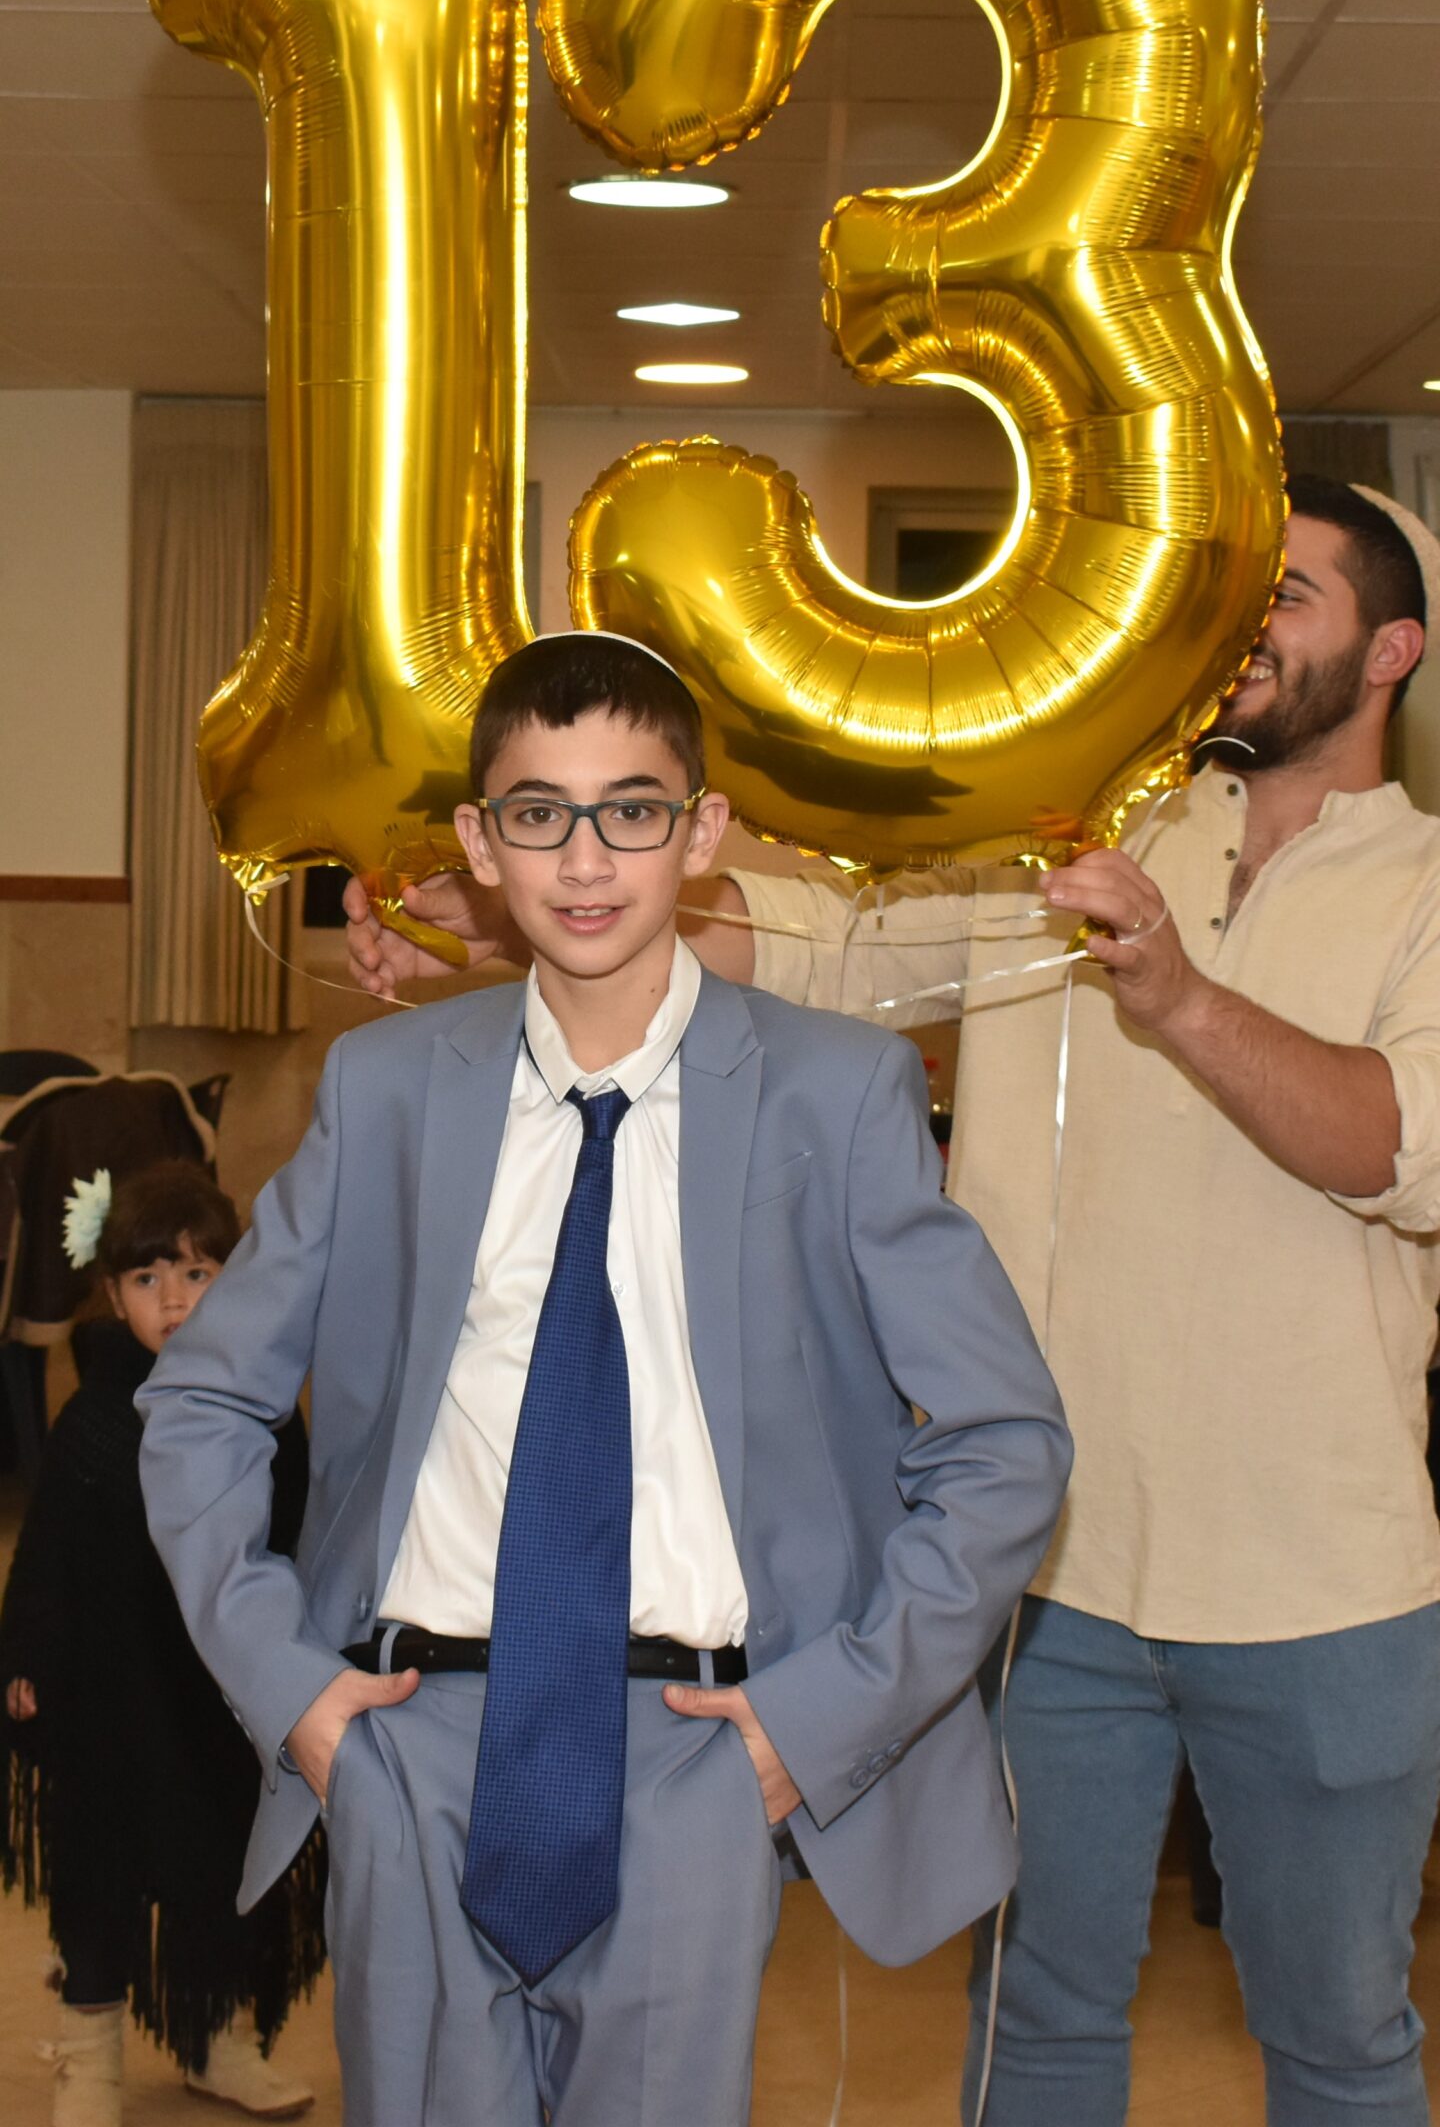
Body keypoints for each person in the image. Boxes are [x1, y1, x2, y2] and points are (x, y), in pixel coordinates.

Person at [347, 481, 1440, 2127]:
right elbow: (826, 950)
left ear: (1393, 649)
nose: (1239, 630)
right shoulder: (1085, 838)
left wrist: (1177, 995)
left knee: (1341, 2037)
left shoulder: (1425, 880)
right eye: (1227, 596)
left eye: (1283, 596)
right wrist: (513, 922)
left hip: (1326, 1583)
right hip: (1050, 1581)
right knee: (1033, 2021)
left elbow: (1402, 1147)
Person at [138, 632, 1069, 2127]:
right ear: (478, 841)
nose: (585, 859)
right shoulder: (386, 1092)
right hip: (411, 1735)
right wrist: (290, 1687)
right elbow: (201, 1402)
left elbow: (1004, 1439)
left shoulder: (837, 1092)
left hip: (697, 1753)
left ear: (701, 832)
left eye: (631, 809)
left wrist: (817, 1718)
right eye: (539, 813)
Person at [0, 1160, 320, 2127]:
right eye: (148, 1279)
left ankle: (217, 2037)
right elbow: (48, 1552)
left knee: (219, 1872)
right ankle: (87, 2058)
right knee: (97, 1878)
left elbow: (300, 1539)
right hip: (104, 1694)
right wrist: (26, 1658)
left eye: (196, 1273)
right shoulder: (95, 1417)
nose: (174, 1299)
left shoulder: (265, 1411)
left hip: (216, 1700)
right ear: (113, 1295)